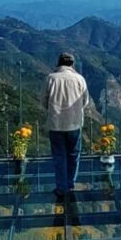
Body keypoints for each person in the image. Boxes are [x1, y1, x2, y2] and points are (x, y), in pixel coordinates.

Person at [44, 52, 90, 197]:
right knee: (73, 155)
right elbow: (85, 101)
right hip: (74, 124)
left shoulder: (50, 78)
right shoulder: (79, 79)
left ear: (59, 63)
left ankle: (61, 188)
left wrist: (53, 109)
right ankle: (70, 184)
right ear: (72, 64)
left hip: (56, 124)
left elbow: (43, 101)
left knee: (59, 156)